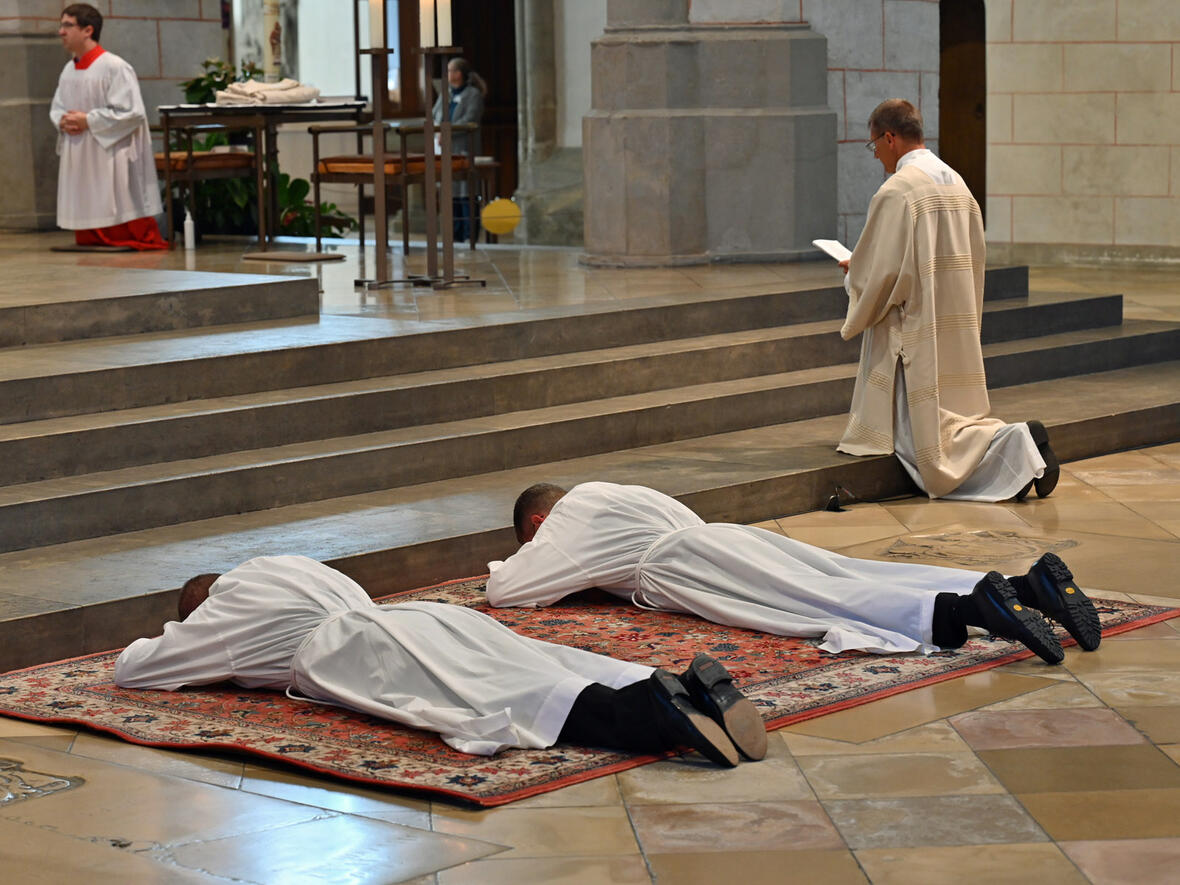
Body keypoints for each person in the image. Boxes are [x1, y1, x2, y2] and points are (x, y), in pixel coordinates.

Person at [115, 554, 767, 765]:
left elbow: (135, 667)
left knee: (504, 697)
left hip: (358, 651)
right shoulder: (279, 565)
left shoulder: (222, 612)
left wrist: (185, 625)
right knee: (530, 660)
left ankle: (653, 713)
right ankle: (694, 685)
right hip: (415, 616)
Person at [485, 482, 1103, 665]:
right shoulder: (614, 491)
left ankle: (975, 611)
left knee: (823, 605)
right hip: (717, 537)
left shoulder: (564, 519)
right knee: (842, 572)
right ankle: (1026, 588)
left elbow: (507, 591)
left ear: (538, 521)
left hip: (687, 566)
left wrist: (510, 562)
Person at [837, 99, 1055, 501]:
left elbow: (882, 275)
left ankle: (1014, 446)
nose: (877, 156)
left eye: (874, 145)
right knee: (957, 417)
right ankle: (1016, 449)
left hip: (916, 328)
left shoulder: (899, 191)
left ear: (890, 137)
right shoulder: (957, 183)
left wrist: (855, 273)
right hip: (954, 321)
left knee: (926, 449)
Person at [50, 4, 167, 250]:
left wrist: (88, 120)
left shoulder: (115, 67)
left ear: (88, 30)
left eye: (67, 25)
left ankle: (124, 235)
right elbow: (57, 106)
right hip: (81, 148)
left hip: (110, 150)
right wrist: (62, 120)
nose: (61, 31)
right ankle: (90, 235)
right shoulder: (68, 69)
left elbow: (131, 112)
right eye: (61, 25)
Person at [432, 57, 486, 243]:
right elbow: (435, 115)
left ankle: (469, 235)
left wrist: (448, 132)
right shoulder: (445, 93)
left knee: (466, 192)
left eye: (453, 71)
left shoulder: (473, 95)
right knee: (450, 193)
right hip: (444, 150)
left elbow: (470, 120)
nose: (449, 75)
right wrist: (438, 128)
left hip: (464, 148)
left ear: (461, 74)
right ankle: (453, 235)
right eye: (447, 71)